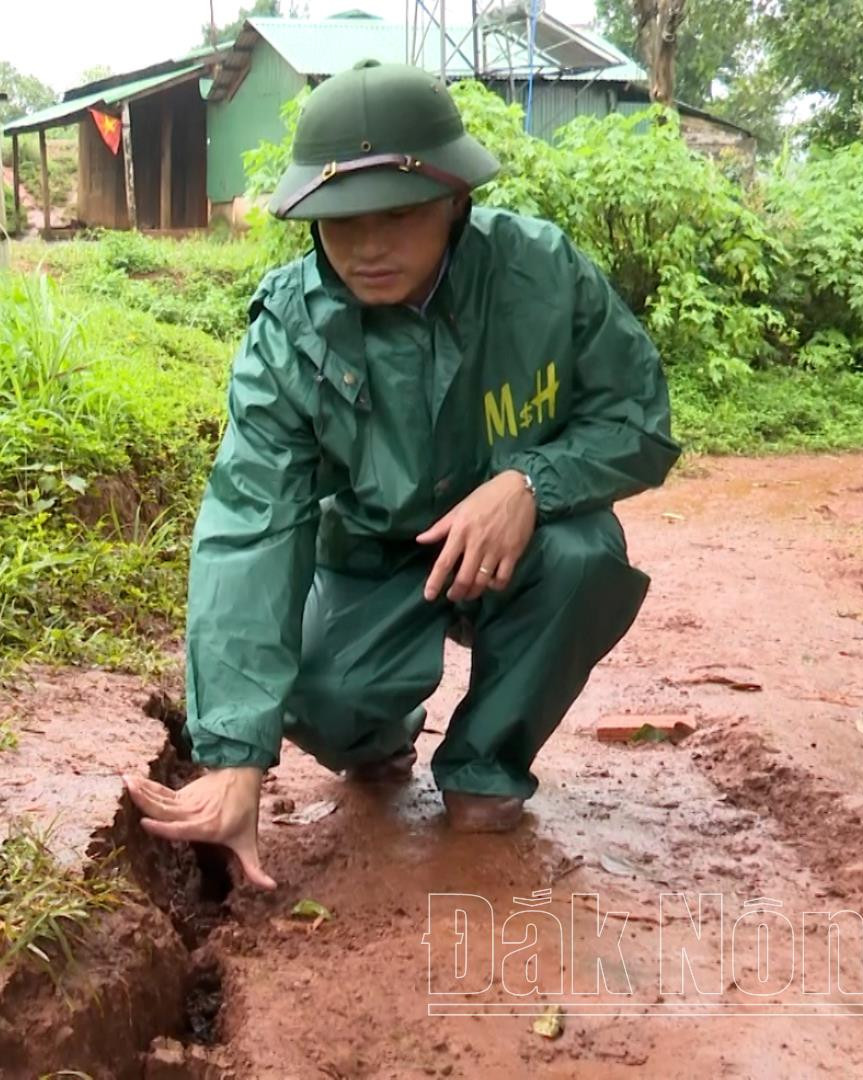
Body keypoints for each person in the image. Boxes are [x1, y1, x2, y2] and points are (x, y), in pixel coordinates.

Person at [123, 61, 680, 890]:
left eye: (401, 213)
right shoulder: (290, 330)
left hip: (520, 543)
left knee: (585, 556)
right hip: (377, 559)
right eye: (343, 221)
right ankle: (382, 731)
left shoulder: (542, 276)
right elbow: (252, 521)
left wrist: (529, 482)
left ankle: (486, 762)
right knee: (321, 699)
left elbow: (639, 420)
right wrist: (235, 756)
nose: (370, 246)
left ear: (457, 199)